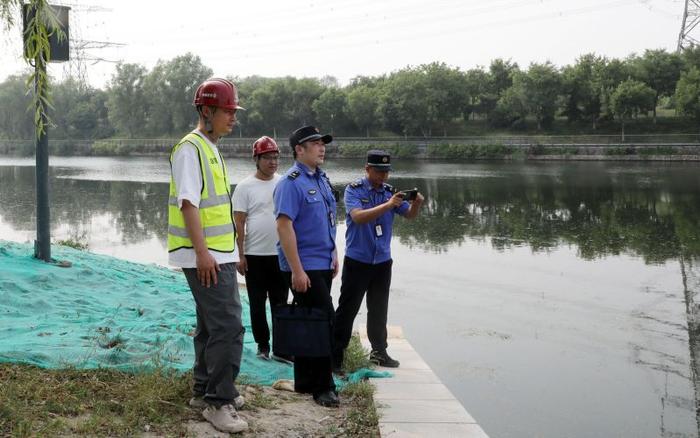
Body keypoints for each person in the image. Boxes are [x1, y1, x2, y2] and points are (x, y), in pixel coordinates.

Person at [167, 78, 247, 433]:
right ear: (206, 111)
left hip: (220, 252)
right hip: (206, 255)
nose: (232, 117)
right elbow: (189, 204)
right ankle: (219, 401)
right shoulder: (190, 148)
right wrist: (202, 254)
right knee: (229, 325)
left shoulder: (210, 146)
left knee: (211, 325)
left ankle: (205, 390)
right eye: (227, 111)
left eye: (233, 111)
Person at [332, 149, 424, 372]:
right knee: (348, 308)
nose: (383, 176)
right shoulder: (353, 190)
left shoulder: (390, 192)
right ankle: (335, 356)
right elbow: (357, 217)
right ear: (367, 169)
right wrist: (388, 205)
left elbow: (409, 215)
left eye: (387, 172)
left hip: (382, 261)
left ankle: (379, 352)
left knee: (379, 308)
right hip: (358, 260)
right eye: (379, 171)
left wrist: (417, 203)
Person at [273, 125, 340, 408]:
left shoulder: (322, 179)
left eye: (323, 143)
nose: (321, 147)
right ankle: (323, 387)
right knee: (325, 322)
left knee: (308, 321)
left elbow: (328, 219)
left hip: (323, 262)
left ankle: (304, 382)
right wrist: (297, 270)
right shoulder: (291, 182)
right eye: (315, 143)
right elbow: (284, 226)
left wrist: (335, 251)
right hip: (305, 265)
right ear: (299, 149)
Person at [232, 136, 290, 363]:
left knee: (280, 303)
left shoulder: (284, 183)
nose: (273, 162)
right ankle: (262, 345)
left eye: (275, 157)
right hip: (255, 256)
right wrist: (240, 255)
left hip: (280, 254)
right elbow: (239, 224)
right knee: (257, 304)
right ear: (256, 159)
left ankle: (282, 347)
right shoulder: (245, 187)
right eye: (267, 157)